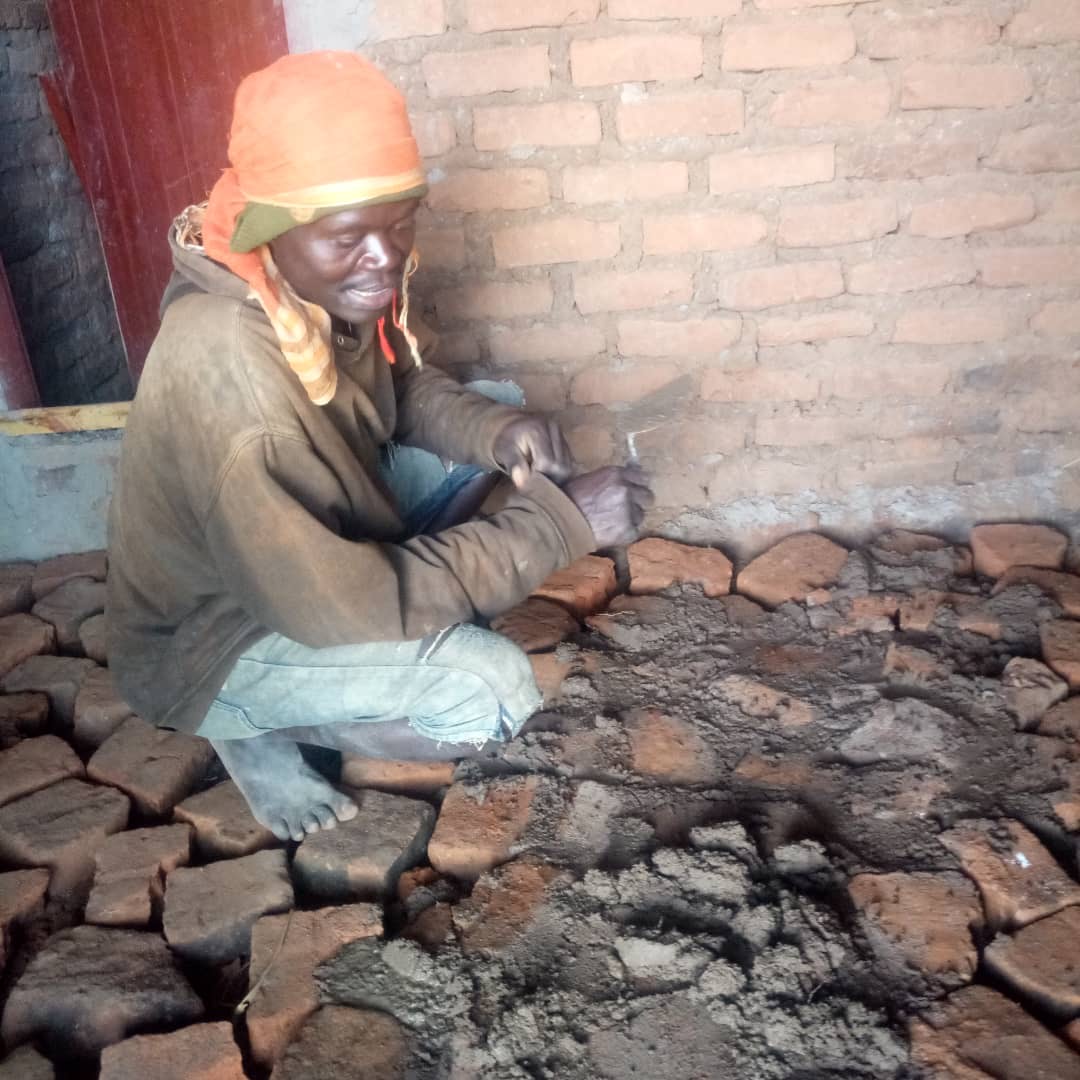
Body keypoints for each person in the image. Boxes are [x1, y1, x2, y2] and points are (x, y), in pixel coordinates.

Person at [106, 51, 652, 842]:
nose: (386, 256)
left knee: (496, 421)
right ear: (275, 228)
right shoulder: (235, 375)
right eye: (350, 236)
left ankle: (400, 628)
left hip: (302, 564)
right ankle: (248, 723)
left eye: (400, 224)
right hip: (216, 637)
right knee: (491, 691)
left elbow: (399, 388)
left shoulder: (303, 280)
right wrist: (560, 526)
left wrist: (497, 434)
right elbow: (342, 602)